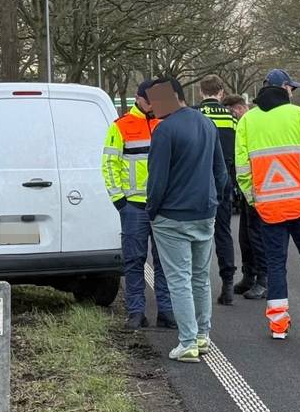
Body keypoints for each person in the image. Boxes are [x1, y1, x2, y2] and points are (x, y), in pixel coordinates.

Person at [235, 69, 300, 340]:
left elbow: (242, 169)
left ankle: (278, 325)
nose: (293, 92)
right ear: (283, 87)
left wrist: (253, 199)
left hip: (268, 208)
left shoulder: (247, 121)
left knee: (274, 264)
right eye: (291, 88)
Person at [146, 77, 228, 363]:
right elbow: (221, 172)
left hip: (172, 216)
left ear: (169, 98)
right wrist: (214, 201)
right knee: (200, 277)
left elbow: (157, 180)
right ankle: (203, 335)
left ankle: (188, 342)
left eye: (154, 101)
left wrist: (151, 211)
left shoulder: (164, 130)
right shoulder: (206, 123)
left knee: (178, 279)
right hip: (204, 212)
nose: (152, 107)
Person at [102, 80, 176, 330]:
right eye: (153, 101)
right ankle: (136, 312)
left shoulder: (165, 123)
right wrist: (119, 200)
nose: (157, 106)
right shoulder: (121, 126)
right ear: (140, 99)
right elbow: (109, 164)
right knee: (134, 261)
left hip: (163, 205)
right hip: (133, 205)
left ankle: (166, 312)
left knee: (165, 261)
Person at [196, 75, 238, 305]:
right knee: (223, 233)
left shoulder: (195, 115)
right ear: (221, 93)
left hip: (198, 183)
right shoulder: (232, 119)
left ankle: (198, 286)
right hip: (224, 182)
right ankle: (228, 284)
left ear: (201, 92)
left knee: (196, 234)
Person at [222, 94, 267, 299]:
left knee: (258, 237)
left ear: (238, 108)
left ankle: (264, 280)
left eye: (231, 112)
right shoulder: (242, 124)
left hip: (258, 188)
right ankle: (249, 276)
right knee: (245, 237)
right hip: (246, 188)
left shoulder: (251, 123)